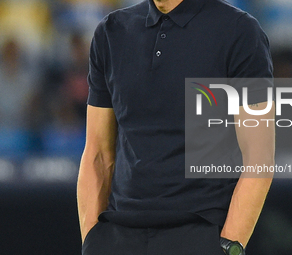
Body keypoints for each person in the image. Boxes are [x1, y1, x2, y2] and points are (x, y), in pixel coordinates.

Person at [77, 0, 275, 254]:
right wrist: (92, 242)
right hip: (117, 234)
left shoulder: (239, 31)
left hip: (199, 231)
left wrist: (228, 247)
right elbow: (97, 154)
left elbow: (260, 158)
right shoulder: (111, 32)